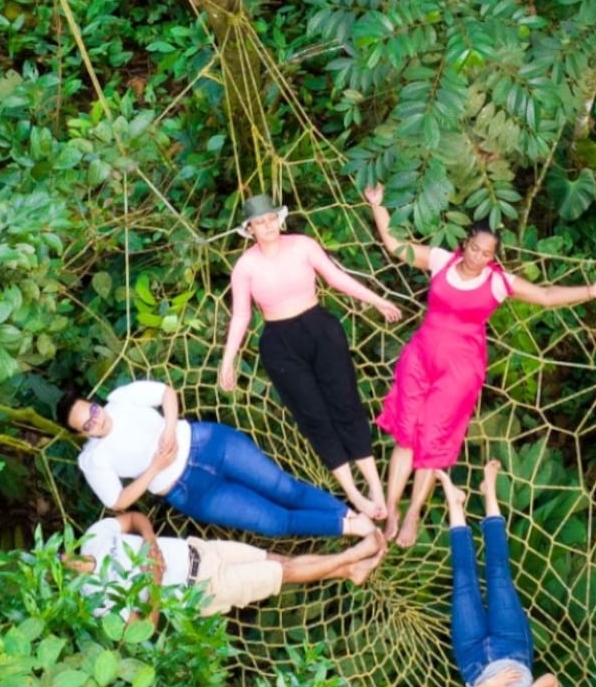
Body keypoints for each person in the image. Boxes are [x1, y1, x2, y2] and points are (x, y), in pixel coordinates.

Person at [364, 184, 596, 546]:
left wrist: (589, 291)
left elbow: (545, 296)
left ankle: (413, 514)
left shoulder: (498, 282)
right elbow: (394, 245)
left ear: (493, 257)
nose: (477, 257)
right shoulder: (440, 260)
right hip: (420, 356)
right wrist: (378, 205)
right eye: (474, 248)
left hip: (460, 370)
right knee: (405, 434)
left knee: (432, 440)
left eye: (486, 253)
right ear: (464, 243)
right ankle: (390, 510)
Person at [220, 192, 403, 522]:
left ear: (280, 218)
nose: (268, 226)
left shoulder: (303, 245)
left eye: (271, 219)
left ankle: (375, 486)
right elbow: (241, 316)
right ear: (250, 229)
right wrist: (228, 361)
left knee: (345, 403)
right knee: (314, 416)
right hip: (280, 344)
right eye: (260, 223)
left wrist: (377, 300)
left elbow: (336, 278)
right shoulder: (245, 266)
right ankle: (354, 494)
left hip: (320, 329)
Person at [55, 377, 375, 539]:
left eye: (92, 411)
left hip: (208, 444)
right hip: (190, 490)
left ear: (94, 402)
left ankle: (350, 513)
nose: (96, 420)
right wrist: (155, 468)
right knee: (274, 522)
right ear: (81, 433)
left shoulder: (119, 399)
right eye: (87, 424)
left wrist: (168, 430)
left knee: (284, 488)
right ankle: (347, 527)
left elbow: (166, 393)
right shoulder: (94, 460)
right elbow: (118, 501)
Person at [440, 462, 560, 687]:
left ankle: (455, 504)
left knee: (463, 581)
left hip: (473, 660)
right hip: (512, 647)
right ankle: (489, 492)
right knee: (498, 572)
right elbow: (551, 681)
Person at [69, 510, 386, 622]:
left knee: (278, 561)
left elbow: (135, 519)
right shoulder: (97, 596)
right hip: (203, 590)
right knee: (282, 573)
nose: (67, 564)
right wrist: (153, 585)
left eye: (58, 557)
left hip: (201, 551)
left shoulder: (94, 537)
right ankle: (354, 555)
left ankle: (350, 572)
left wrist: (150, 542)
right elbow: (144, 629)